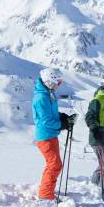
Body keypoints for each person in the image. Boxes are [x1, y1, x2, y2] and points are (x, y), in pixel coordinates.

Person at [31, 68, 75, 200]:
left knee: (53, 164)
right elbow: (46, 121)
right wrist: (62, 124)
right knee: (55, 165)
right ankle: (45, 195)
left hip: (51, 135)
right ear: (49, 81)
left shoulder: (48, 93)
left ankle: (46, 191)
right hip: (45, 137)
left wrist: (63, 117)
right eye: (58, 81)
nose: (59, 84)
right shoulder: (41, 98)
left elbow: (52, 114)